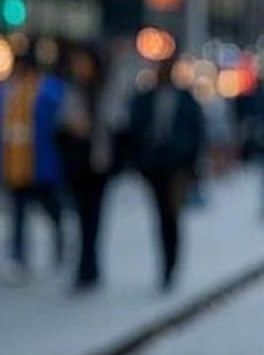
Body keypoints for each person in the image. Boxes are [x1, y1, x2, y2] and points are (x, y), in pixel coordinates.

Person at [0, 49, 67, 283]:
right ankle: (18, 258)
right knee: (18, 214)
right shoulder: (7, 92)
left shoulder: (47, 90)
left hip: (39, 164)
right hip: (15, 164)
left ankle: (60, 241)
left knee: (51, 209)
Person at [128, 55, 205, 290]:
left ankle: (170, 265)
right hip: (154, 166)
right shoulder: (145, 99)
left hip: (177, 167)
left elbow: (197, 132)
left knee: (171, 216)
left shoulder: (185, 100)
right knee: (161, 215)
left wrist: (189, 161)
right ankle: (165, 263)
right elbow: (135, 129)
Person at [56, 43, 122, 291]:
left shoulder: (106, 93)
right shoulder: (72, 93)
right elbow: (60, 130)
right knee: (80, 216)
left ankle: (90, 265)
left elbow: (117, 128)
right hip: (77, 164)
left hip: (99, 164)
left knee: (94, 217)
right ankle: (84, 266)